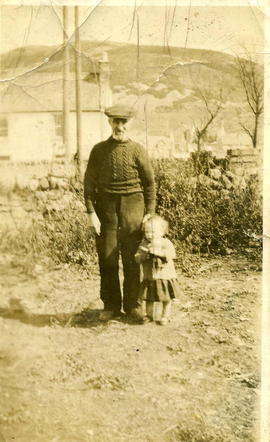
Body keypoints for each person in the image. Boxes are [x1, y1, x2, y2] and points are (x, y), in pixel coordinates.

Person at [84, 104, 156, 322]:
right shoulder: (98, 150)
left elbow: (150, 184)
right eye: (116, 121)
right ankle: (111, 305)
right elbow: (88, 185)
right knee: (108, 258)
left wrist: (149, 213)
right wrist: (91, 214)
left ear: (129, 124)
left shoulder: (138, 151)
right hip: (106, 211)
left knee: (133, 259)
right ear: (109, 123)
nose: (119, 126)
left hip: (133, 208)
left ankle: (133, 305)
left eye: (123, 122)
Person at [134, 214, 179, 325]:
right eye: (147, 232)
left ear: (162, 231)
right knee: (149, 298)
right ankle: (149, 315)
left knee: (166, 298)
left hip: (164, 276)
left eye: (153, 232)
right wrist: (143, 255)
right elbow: (137, 257)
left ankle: (165, 316)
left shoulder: (165, 243)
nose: (150, 235)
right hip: (150, 276)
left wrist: (160, 253)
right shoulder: (144, 244)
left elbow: (171, 254)